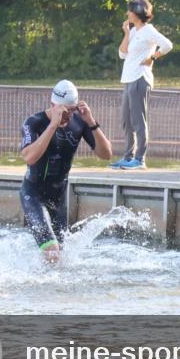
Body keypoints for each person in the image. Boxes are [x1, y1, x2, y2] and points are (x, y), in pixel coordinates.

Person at [20, 80, 113, 263]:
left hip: (59, 198)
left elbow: (106, 154)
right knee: (52, 253)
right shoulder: (34, 123)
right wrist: (52, 125)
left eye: (72, 110)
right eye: (64, 110)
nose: (68, 116)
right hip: (34, 195)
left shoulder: (79, 122)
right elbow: (29, 157)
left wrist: (91, 122)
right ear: (53, 104)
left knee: (59, 258)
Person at [111, 0, 172, 170]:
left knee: (138, 120)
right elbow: (122, 54)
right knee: (126, 120)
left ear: (138, 12)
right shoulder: (135, 32)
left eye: (130, 10)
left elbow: (167, 45)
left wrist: (152, 57)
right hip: (128, 79)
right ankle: (128, 157)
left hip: (140, 79)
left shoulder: (148, 30)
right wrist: (126, 33)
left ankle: (140, 159)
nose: (128, 13)